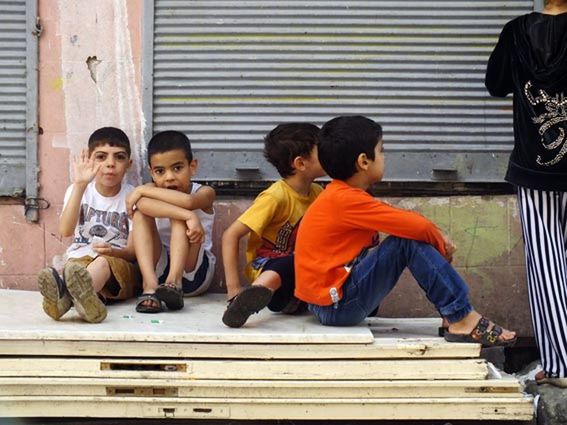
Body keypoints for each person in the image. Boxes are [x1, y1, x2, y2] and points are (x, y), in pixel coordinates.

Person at [294, 115, 517, 348]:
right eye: (381, 151)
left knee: (409, 238)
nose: (384, 157)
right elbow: (418, 227)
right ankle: (460, 317)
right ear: (364, 161)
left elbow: (406, 222)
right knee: (406, 242)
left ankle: (454, 314)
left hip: (330, 304)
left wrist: (435, 241)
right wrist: (442, 244)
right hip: (336, 308)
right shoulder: (344, 200)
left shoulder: (341, 196)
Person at [485, 0, 567, 386]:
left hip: (534, 169)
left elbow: (496, 85)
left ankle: (560, 366)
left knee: (547, 269)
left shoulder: (516, 31)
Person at [221, 123, 325, 328]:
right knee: (290, 262)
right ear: (300, 163)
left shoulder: (318, 193)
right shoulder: (275, 196)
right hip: (273, 280)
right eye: (322, 151)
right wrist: (233, 290)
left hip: (300, 289)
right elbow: (230, 236)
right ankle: (247, 300)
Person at [37, 127, 140, 323]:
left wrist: (112, 252)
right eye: (101, 157)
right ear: (90, 161)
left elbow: (133, 252)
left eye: (119, 157)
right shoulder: (79, 190)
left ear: (129, 164)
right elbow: (65, 230)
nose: (110, 164)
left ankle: (64, 298)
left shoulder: (132, 196)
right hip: (78, 263)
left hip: (117, 266)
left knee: (100, 263)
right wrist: (80, 184)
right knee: (75, 268)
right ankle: (87, 303)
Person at [127, 130, 215, 313]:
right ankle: (149, 286)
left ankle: (174, 283)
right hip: (160, 271)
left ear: (192, 166)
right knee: (141, 213)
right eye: (160, 171)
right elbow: (141, 205)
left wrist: (141, 190)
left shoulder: (205, 192)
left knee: (179, 215)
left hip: (194, 274)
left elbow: (189, 202)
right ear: (151, 172)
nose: (169, 177)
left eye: (177, 168)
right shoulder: (148, 191)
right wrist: (143, 192)